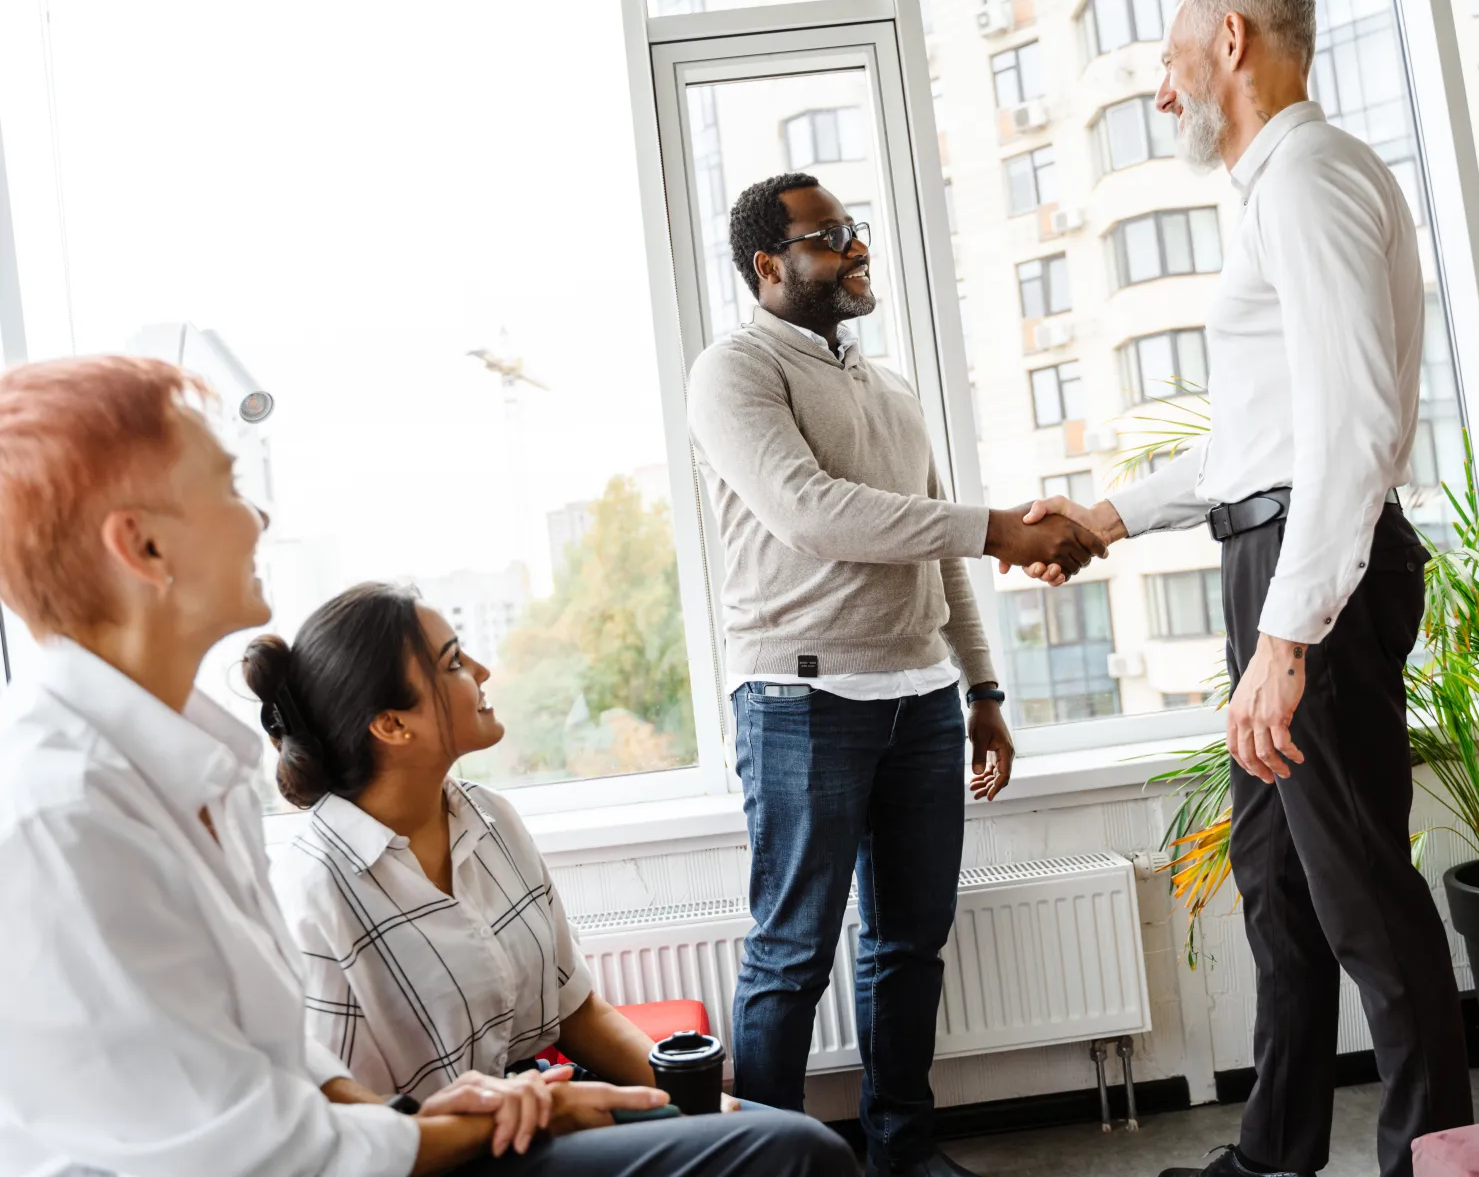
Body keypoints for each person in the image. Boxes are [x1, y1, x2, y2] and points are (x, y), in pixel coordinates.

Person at [0, 355, 855, 1177]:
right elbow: (266, 1153)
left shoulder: (191, 774)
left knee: (777, 1143)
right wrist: (510, 1118)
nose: (257, 516)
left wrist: (462, 1111)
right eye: (225, 486)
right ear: (142, 547)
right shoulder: (62, 820)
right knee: (795, 1154)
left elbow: (281, 1059)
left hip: (395, 1139)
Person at [1012, 0, 1474, 1176]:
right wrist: (1107, 515)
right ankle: (1275, 1154)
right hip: (1274, 557)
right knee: (1277, 890)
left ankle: (1434, 1161)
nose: (1160, 90)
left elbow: (1356, 426)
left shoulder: (1311, 177)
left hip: (1309, 575)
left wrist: (1288, 638)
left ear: (1231, 41)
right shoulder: (1277, 191)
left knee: (1364, 896)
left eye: (1168, 61)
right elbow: (1257, 443)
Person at [685, 173, 1102, 1177]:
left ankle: (902, 1152)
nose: (853, 249)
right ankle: (764, 1164)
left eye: (853, 231)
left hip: (917, 698)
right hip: (800, 699)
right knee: (791, 955)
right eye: (827, 237)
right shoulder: (733, 373)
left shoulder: (888, 384)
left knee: (909, 944)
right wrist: (1001, 528)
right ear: (766, 265)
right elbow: (815, 514)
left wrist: (983, 689)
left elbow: (933, 547)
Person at [259, 583, 817, 1132]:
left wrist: (687, 1100)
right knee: (795, 1147)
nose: (481, 671)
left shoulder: (490, 816)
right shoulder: (315, 893)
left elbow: (576, 1012)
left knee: (786, 1140)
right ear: (392, 724)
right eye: (453, 662)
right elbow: (349, 1127)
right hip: (451, 1148)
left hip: (546, 1109)